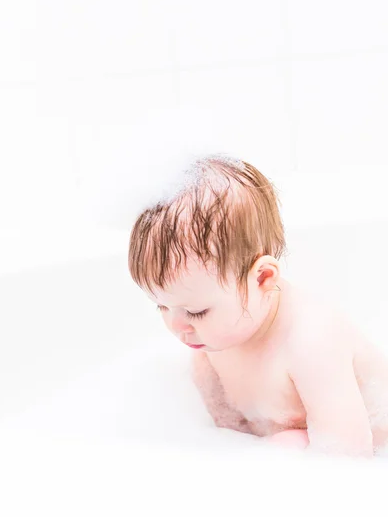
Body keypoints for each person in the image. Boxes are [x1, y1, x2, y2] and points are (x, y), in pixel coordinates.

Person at [128, 153, 388, 457]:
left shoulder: (312, 342)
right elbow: (220, 420)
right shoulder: (210, 337)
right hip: (263, 453)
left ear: (263, 278)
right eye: (161, 306)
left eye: (196, 311)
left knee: (289, 445)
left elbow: (349, 454)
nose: (176, 326)